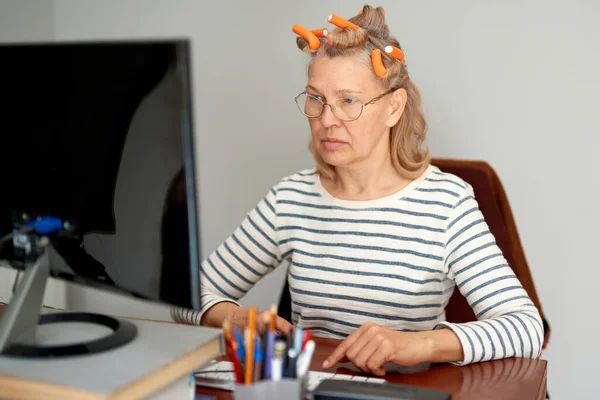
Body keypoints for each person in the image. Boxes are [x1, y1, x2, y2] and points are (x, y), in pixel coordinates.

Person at [174, 5, 544, 375]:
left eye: (348, 101)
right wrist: (233, 317)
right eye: (315, 98)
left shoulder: (447, 204)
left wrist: (417, 343)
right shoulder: (289, 199)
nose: (326, 120)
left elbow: (525, 327)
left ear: (394, 108)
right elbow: (184, 297)